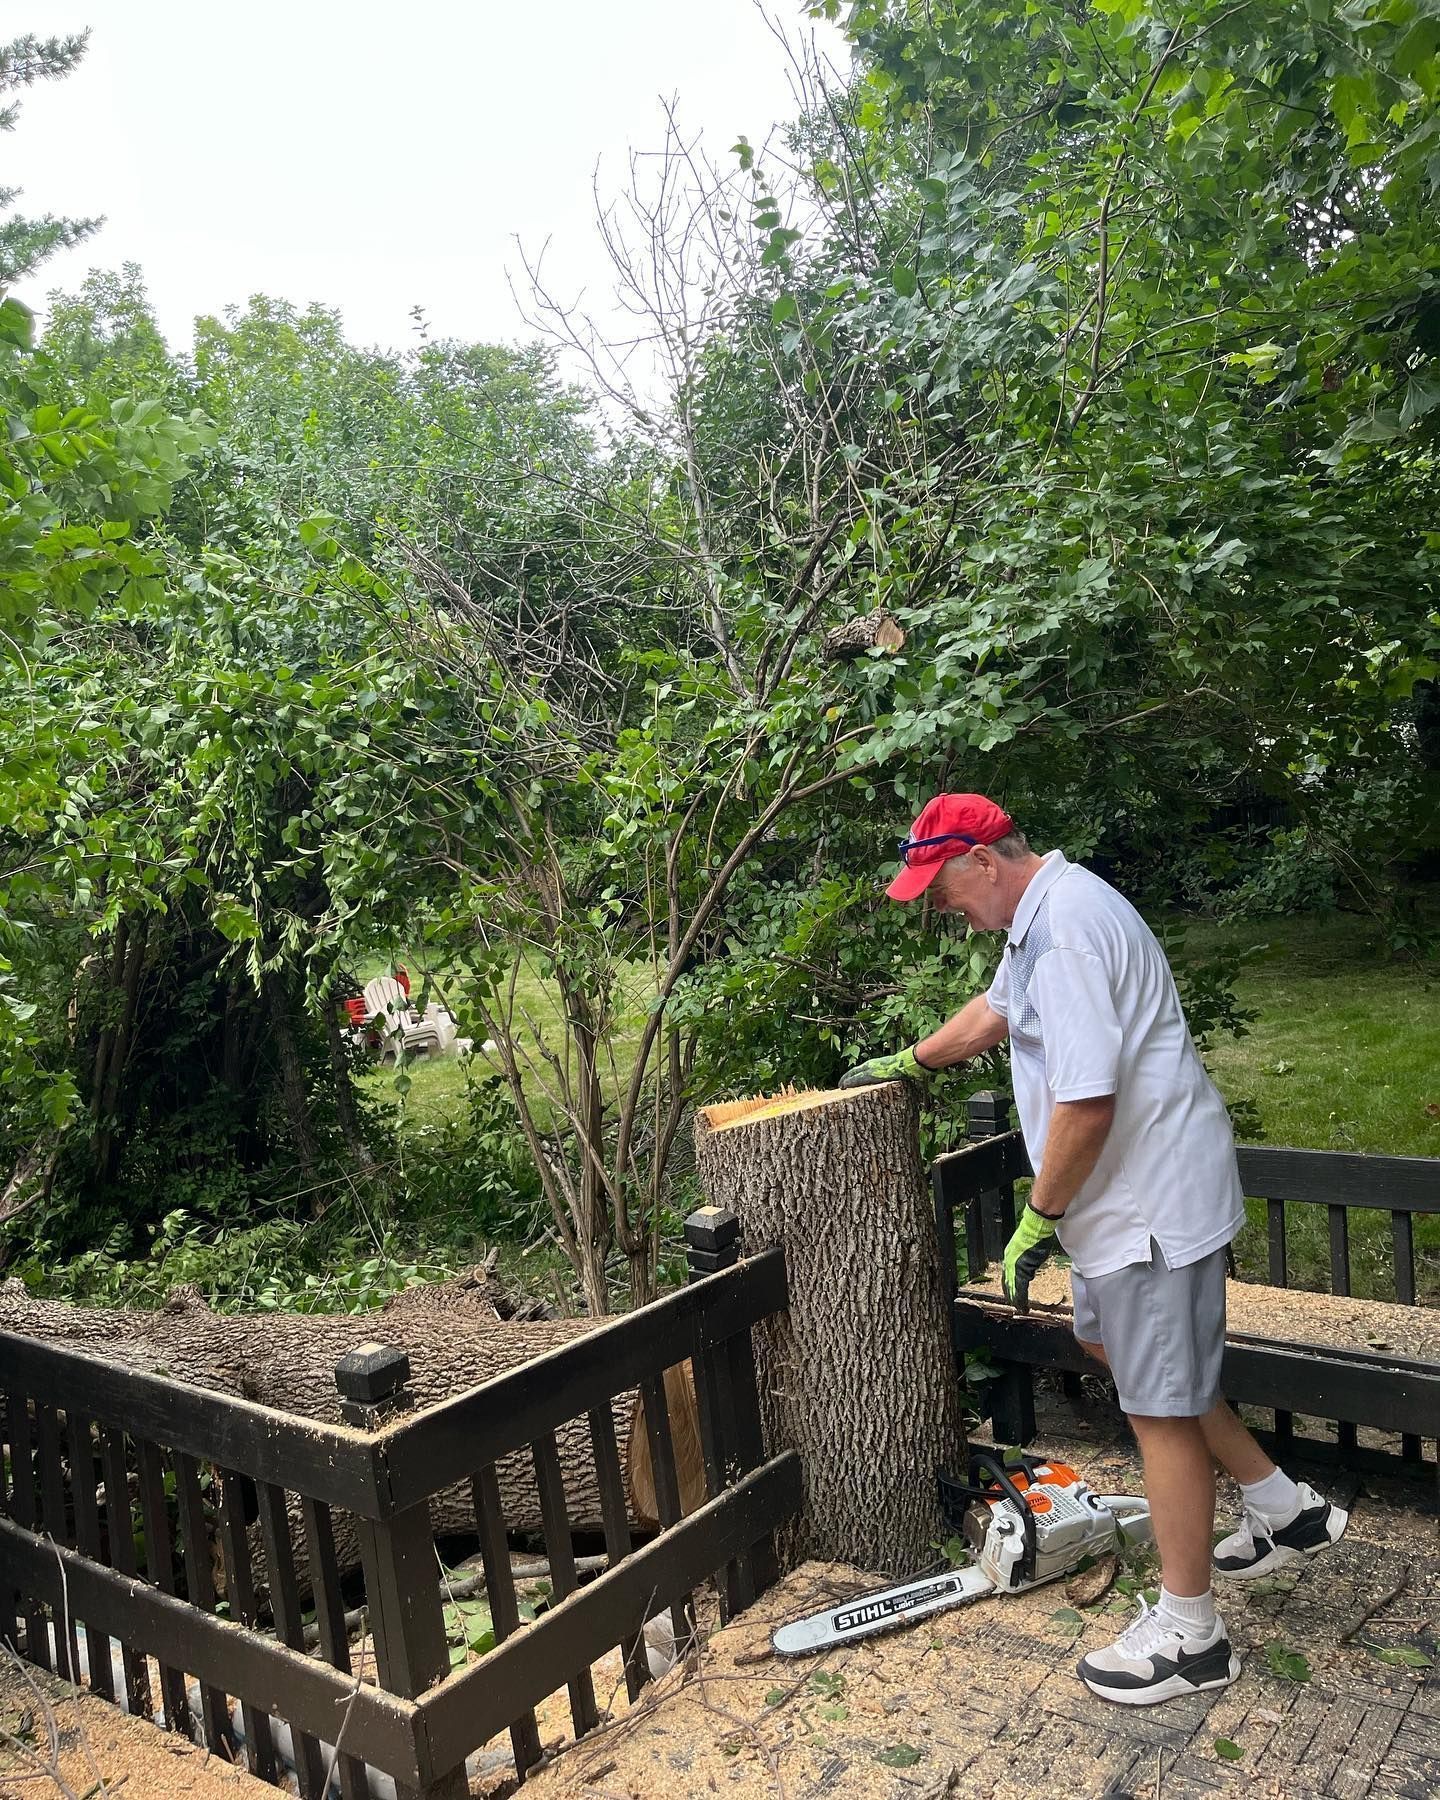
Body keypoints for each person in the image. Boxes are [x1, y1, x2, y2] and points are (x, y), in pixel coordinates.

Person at [841, 792, 1347, 1706]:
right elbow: (996, 1013)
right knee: (1127, 1358)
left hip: (1147, 1208)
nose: (939, 907)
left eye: (941, 887)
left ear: (984, 860)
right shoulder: (1036, 925)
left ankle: (1193, 1637)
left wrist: (1038, 1215)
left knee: (1159, 1407)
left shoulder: (1068, 932)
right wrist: (913, 1061)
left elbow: (1086, 1105)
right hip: (1115, 1212)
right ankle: (1283, 1505)